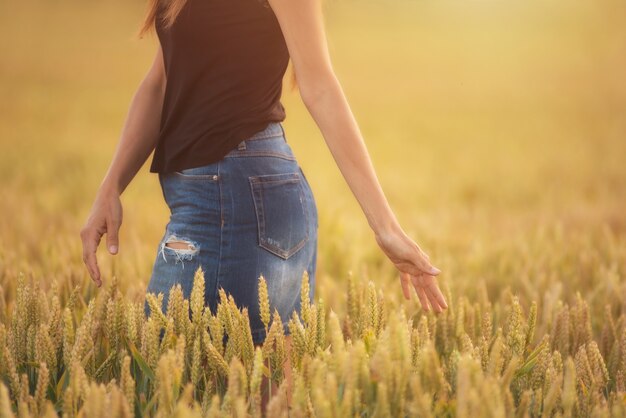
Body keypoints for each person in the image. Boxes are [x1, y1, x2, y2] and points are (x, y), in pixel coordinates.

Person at [80, 0, 448, 411]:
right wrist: (110, 186)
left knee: (173, 387)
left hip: (239, 199)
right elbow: (160, 82)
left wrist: (386, 228)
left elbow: (320, 86)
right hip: (221, 199)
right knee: (240, 398)